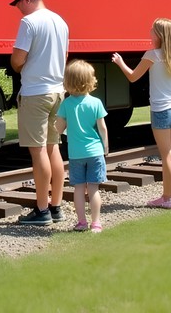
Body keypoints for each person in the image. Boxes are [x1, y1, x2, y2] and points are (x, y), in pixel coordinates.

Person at [112, 17, 171, 208]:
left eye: (152, 30)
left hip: (161, 110)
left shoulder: (152, 55)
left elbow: (132, 77)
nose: (150, 32)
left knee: (166, 155)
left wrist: (120, 62)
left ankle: (167, 198)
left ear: (160, 35)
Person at [9, 0, 69, 225]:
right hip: (58, 92)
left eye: (18, 5)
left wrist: (21, 65)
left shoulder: (29, 22)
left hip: (35, 93)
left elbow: (17, 60)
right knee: (54, 148)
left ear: (26, 0)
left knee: (38, 152)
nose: (19, 11)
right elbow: (65, 56)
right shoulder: (61, 21)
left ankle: (42, 210)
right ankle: (56, 207)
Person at [56, 60, 109, 232]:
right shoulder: (96, 103)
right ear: (90, 80)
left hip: (76, 154)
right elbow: (102, 128)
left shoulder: (66, 104)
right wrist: (105, 147)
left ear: (68, 82)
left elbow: (59, 128)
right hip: (95, 151)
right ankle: (96, 223)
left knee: (79, 189)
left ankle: (81, 222)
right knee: (93, 189)